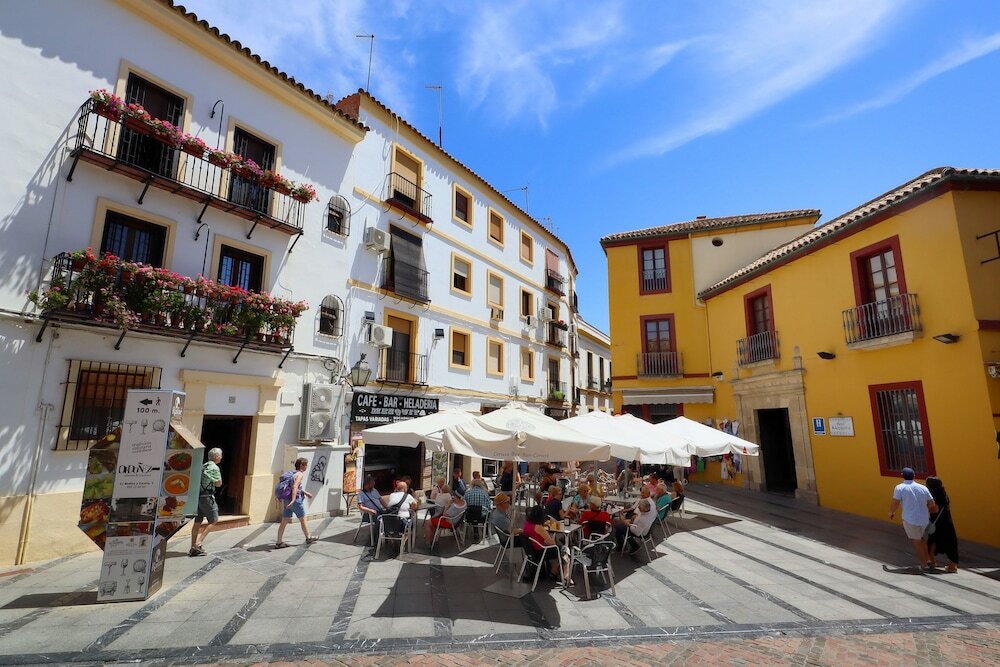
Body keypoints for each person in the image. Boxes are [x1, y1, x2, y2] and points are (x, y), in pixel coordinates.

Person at [889, 467, 938, 570]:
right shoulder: (923, 488)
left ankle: (924, 564)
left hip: (910, 519)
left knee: (917, 542)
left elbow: (896, 502)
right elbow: (932, 503)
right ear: (914, 476)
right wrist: (926, 511)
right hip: (924, 519)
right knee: (922, 540)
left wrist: (891, 512)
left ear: (902, 476)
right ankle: (929, 560)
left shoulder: (899, 487)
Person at [522, 505, 571, 583]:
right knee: (564, 550)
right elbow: (552, 543)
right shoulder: (539, 527)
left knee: (559, 550)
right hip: (540, 552)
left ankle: (554, 572)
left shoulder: (527, 524)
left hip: (531, 551)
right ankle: (566, 576)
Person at [275, 457, 317, 548]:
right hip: (295, 501)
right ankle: (308, 538)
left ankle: (279, 542)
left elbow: (297, 487)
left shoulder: (292, 474)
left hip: (287, 501)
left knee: (284, 521)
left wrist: (306, 493)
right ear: (302, 465)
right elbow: (294, 486)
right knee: (303, 519)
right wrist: (294, 499)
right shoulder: (300, 474)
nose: (307, 467)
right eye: (306, 465)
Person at [190, 447, 223, 556]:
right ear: (217, 456)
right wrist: (214, 482)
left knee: (197, 522)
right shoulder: (215, 468)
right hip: (207, 497)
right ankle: (198, 543)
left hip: (197, 496)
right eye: (220, 455)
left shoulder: (204, 465)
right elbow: (219, 483)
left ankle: (192, 547)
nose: (221, 457)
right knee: (214, 520)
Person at [925, 476, 959, 572]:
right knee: (950, 543)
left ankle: (932, 561)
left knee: (932, 541)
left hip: (936, 523)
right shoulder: (944, 495)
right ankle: (953, 565)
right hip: (947, 522)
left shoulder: (933, 496)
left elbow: (934, 509)